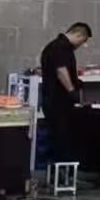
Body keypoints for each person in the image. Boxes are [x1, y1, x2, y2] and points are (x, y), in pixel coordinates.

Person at [39, 22, 92, 161]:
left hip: (54, 101)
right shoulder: (60, 47)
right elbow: (61, 71)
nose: (81, 45)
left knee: (60, 139)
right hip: (57, 102)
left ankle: (64, 169)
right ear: (79, 35)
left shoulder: (56, 46)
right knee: (62, 139)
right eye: (83, 41)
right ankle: (65, 171)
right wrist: (72, 91)